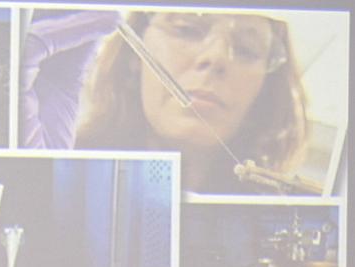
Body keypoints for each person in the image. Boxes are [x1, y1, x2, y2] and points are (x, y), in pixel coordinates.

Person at [20, 10, 309, 193]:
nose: (216, 57)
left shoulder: (280, 204)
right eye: (187, 29)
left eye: (246, 49)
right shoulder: (63, 169)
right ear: (136, 55)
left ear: (265, 87)